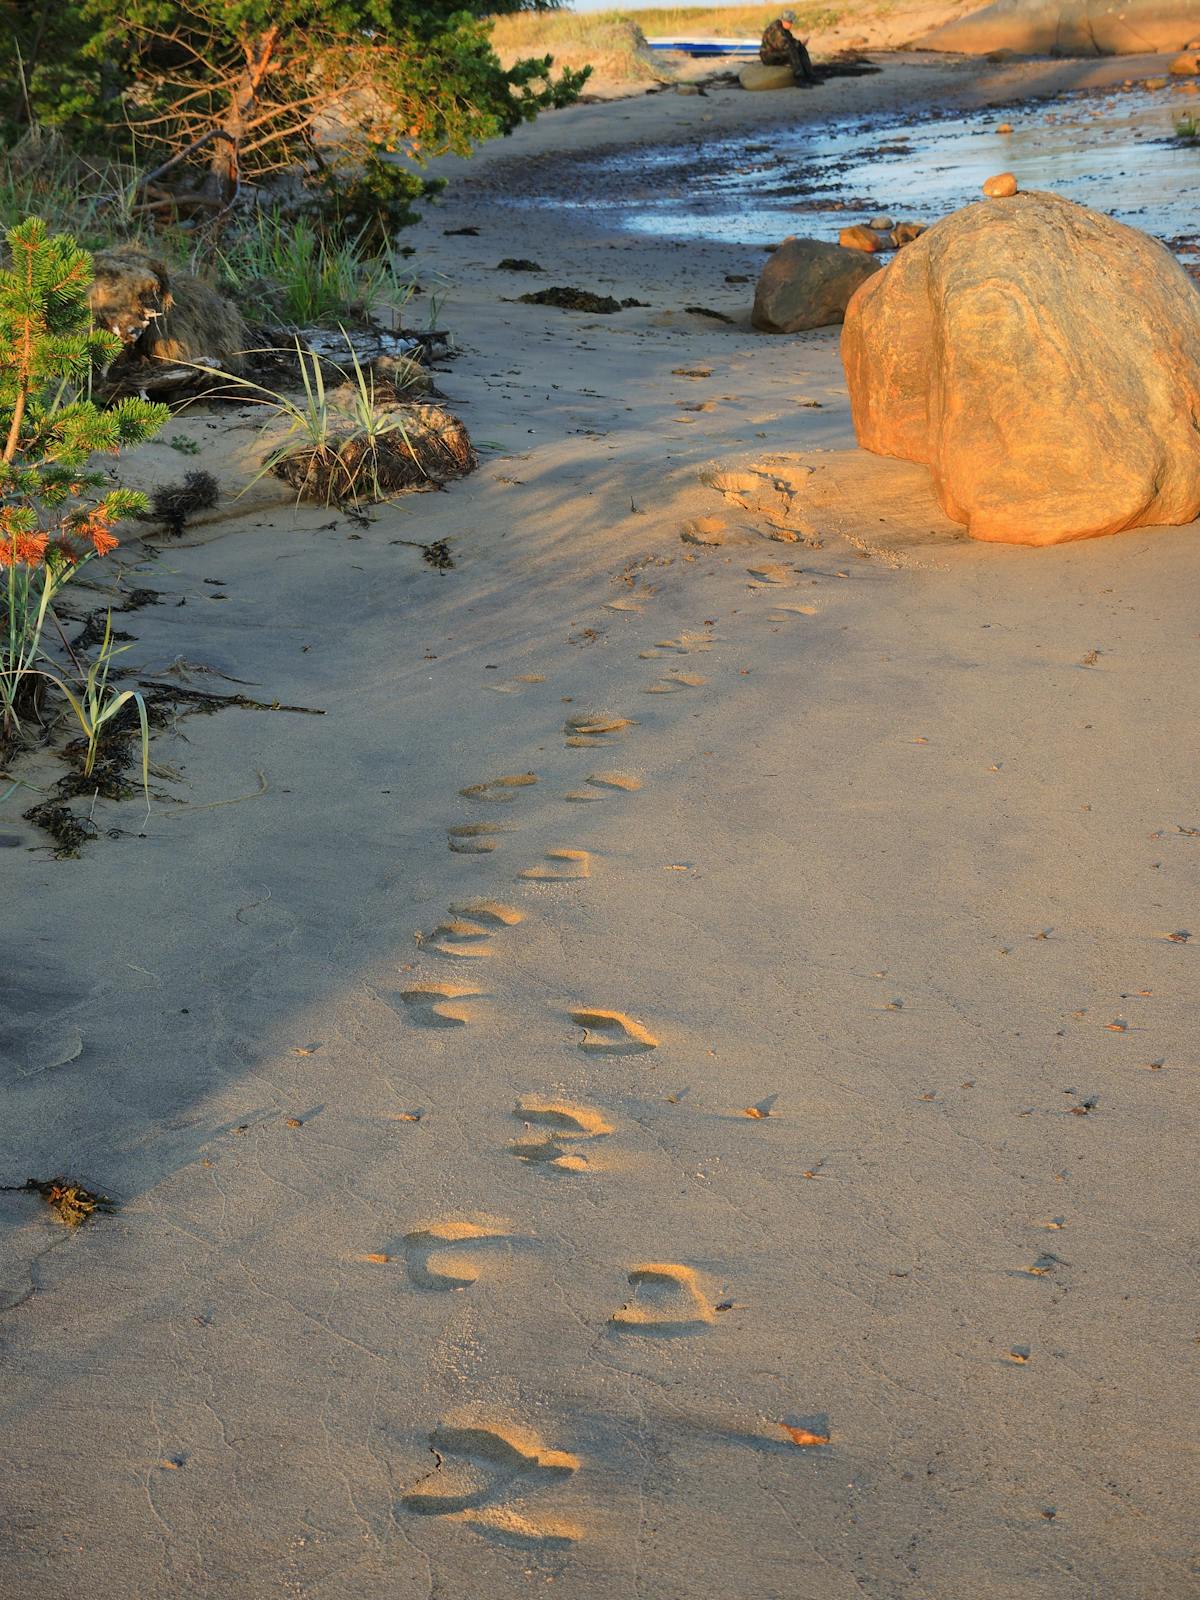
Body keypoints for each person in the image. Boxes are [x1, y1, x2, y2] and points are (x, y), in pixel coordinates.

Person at [759, 13, 818, 84]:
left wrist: (800, 44)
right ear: (785, 21)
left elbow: (791, 40)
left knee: (801, 49)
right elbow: (784, 45)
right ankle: (799, 78)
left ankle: (810, 75)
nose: (791, 25)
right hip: (768, 56)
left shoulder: (784, 29)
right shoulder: (776, 30)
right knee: (791, 50)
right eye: (791, 22)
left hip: (777, 53)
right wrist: (798, 44)